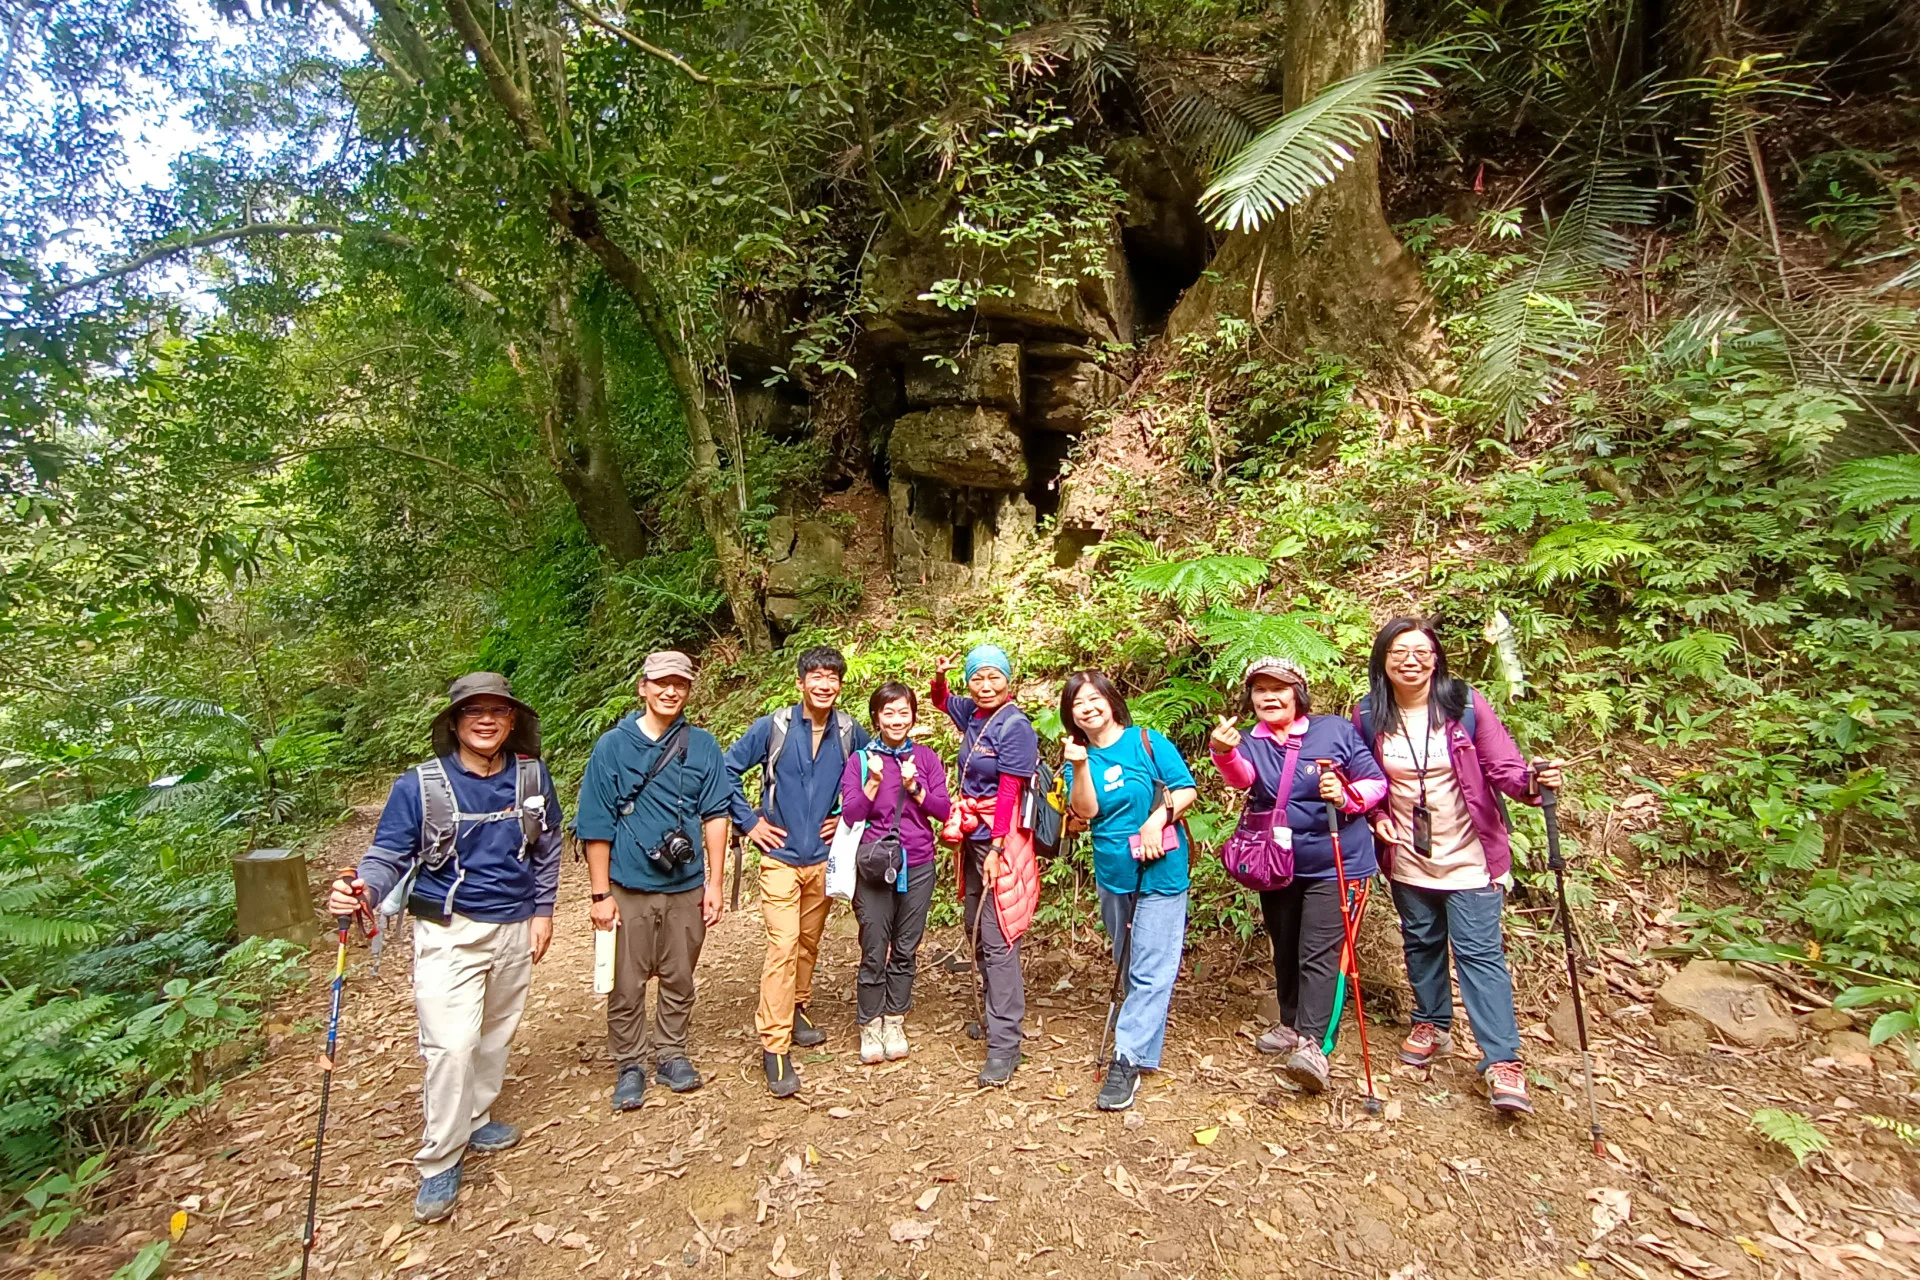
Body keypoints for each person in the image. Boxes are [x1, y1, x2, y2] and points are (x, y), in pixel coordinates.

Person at [329, 673, 562, 1224]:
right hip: (448, 929)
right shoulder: (420, 785)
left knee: (496, 1032)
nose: (486, 720)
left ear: (512, 721)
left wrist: (544, 910)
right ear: (454, 723)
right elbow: (388, 854)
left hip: (514, 923)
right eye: (473, 712)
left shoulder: (531, 774)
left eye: (497, 712)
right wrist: (362, 888)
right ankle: (439, 1160)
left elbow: (547, 846)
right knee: (451, 1045)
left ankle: (477, 1118)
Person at [1351, 617, 1564, 1116]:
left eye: (1421, 651)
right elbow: (1367, 779)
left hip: (1471, 855)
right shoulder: (1368, 715)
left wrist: (1534, 783)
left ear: (1436, 657)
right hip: (1407, 855)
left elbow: (1505, 767)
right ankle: (1431, 1022)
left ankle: (1502, 1061)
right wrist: (1378, 816)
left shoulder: (1464, 705)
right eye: (1399, 651)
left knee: (1479, 954)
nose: (1411, 660)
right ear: (1382, 661)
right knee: (1421, 941)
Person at [1208, 657, 1386, 1094]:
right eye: (1260, 689)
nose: (1269, 696)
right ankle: (1291, 1023)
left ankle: (1314, 1044)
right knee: (1285, 946)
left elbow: (1375, 782)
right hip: (1279, 863)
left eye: (1279, 688)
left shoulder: (1335, 731)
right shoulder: (1250, 740)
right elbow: (1242, 779)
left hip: (1337, 861)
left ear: (1298, 693)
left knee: (1320, 954)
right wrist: (1224, 751)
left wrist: (1344, 795)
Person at [576, 650, 733, 1114]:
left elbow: (716, 813)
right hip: (629, 884)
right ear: (642, 687)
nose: (670, 691)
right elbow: (595, 823)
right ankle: (629, 1063)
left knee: (680, 974)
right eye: (661, 683)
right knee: (627, 981)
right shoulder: (613, 746)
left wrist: (715, 881)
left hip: (685, 885)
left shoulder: (703, 744)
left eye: (680, 684)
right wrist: (600, 893)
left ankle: (671, 1052)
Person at [724, 646, 870, 1097]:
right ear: (800, 682)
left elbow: (871, 773)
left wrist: (846, 812)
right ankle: (775, 1044)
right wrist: (749, 822)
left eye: (832, 677)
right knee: (783, 945)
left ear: (840, 685)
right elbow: (726, 769)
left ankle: (798, 1007)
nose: (824, 684)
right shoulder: (774, 727)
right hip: (780, 856)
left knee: (808, 941)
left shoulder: (849, 731)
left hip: (824, 855)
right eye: (816, 676)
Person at [1058, 671, 1198, 1112]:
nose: (1088, 707)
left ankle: (1126, 1058)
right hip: (1114, 871)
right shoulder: (1077, 759)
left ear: (1111, 701)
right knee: (1130, 960)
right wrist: (1079, 766)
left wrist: (1158, 818)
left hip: (1161, 870)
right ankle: (1142, 1048)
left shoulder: (1147, 741)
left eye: (1095, 698)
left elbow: (1186, 789)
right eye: (1078, 703)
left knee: (1152, 970)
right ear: (1071, 714)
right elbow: (1086, 811)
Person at [930, 644, 1039, 1087]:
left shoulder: (1015, 727)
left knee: (998, 936)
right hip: (972, 835)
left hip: (1001, 837)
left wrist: (996, 847)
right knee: (972, 923)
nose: (986, 685)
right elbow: (940, 701)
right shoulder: (972, 715)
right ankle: (995, 1016)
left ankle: (1005, 1044)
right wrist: (940, 677)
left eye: (994, 676)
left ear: (1008, 680)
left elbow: (1011, 790)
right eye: (978, 677)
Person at [839, 682, 951, 1065]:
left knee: (906, 946)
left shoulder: (926, 758)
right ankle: (870, 1022)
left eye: (904, 712)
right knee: (874, 945)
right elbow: (851, 814)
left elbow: (943, 811)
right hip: (874, 865)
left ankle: (894, 1018)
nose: (897, 720)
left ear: (913, 717)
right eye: (889, 713)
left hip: (918, 862)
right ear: (876, 717)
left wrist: (913, 786)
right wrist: (872, 782)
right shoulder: (860, 760)